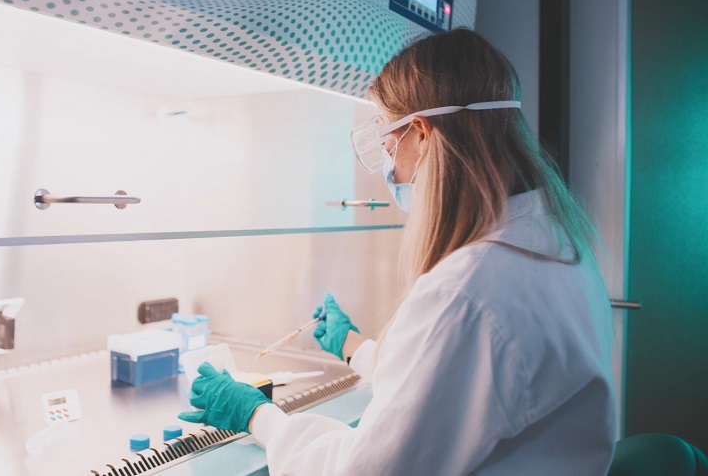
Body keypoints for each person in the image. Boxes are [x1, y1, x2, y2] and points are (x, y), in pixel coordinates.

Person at [178, 28, 616, 474]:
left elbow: (361, 471)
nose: (392, 169)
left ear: (423, 135)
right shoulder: (551, 239)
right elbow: (459, 388)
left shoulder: (465, 292)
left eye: (389, 146)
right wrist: (354, 348)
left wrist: (257, 415)